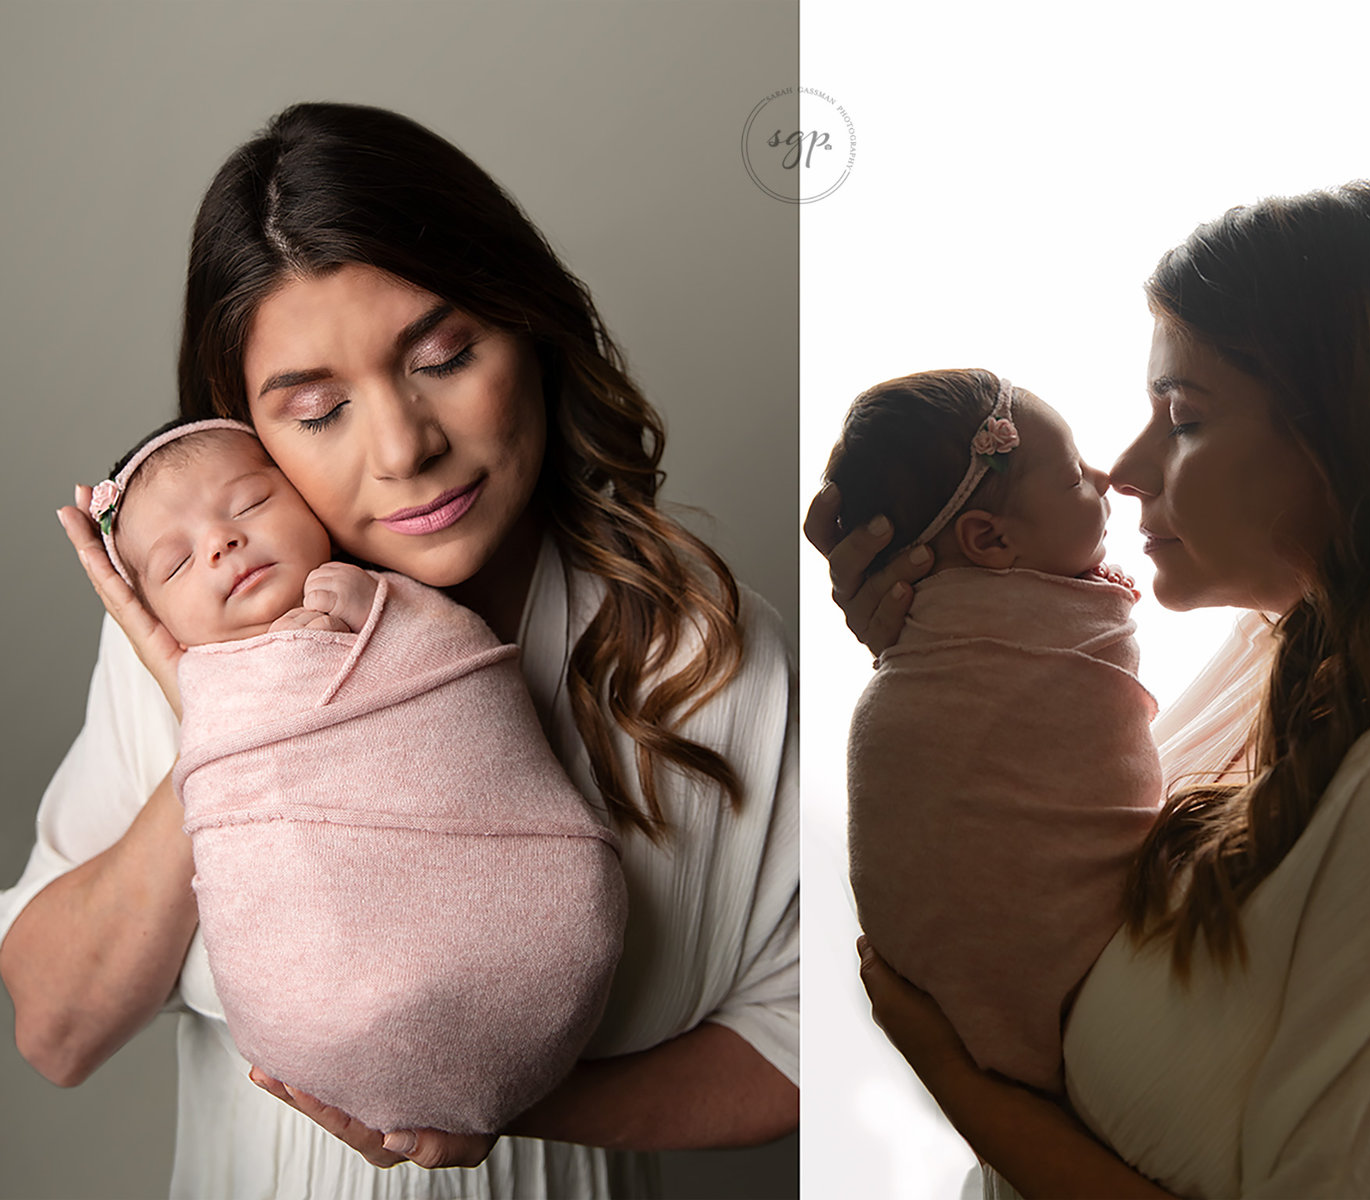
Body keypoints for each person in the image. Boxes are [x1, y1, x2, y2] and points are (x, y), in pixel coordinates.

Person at [1, 102, 796, 1198]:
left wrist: (504, 1104)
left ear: (530, 327)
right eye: (318, 411)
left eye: (445, 355)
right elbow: (55, 1030)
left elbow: (810, 1040)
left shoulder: (704, 655)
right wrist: (227, 725)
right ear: (246, 434)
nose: (403, 447)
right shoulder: (189, 634)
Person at [807, 182, 1370, 1197]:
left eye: (1180, 418)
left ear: (1352, 438)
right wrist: (942, 630)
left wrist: (964, 1086)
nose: (1125, 468)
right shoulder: (1290, 671)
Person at [91, 416, 625, 1136]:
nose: (220, 543)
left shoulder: (389, 601)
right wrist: (219, 715)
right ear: (157, 617)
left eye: (249, 504)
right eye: (176, 564)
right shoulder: (198, 691)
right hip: (321, 1015)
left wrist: (383, 620)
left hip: (541, 917)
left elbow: (460, 673)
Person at [826, 368, 1161, 1094]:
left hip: (959, 1020)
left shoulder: (947, 626)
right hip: (1054, 990)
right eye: (1074, 478)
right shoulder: (1015, 636)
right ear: (989, 539)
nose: (1108, 478)